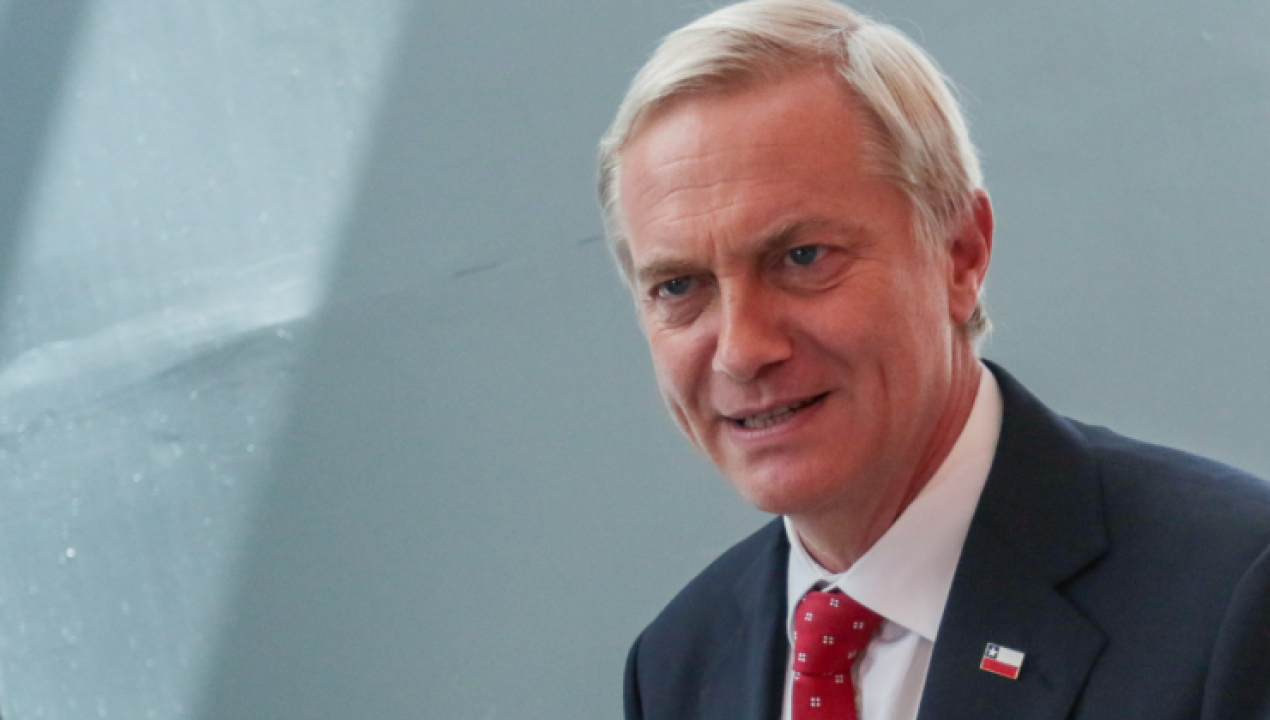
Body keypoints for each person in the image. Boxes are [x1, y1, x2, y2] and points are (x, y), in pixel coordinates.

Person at [596, 1, 1270, 718]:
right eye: (679, 286)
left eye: (802, 257)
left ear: (960, 255)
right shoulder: (676, 666)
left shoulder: (1234, 595)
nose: (742, 351)